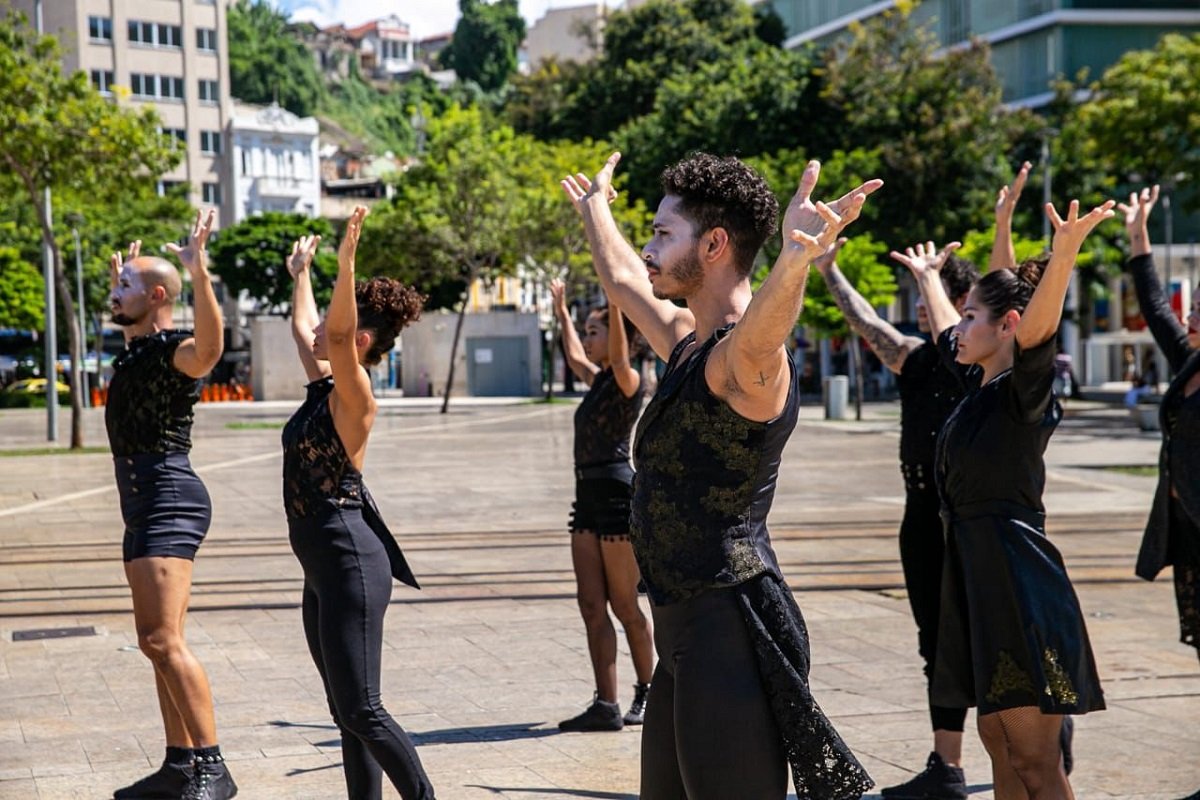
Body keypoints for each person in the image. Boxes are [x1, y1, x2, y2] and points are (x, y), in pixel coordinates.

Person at [563, 151, 877, 799]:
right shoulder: (687, 343)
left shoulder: (743, 363)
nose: (648, 248)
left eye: (661, 233)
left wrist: (795, 261)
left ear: (713, 244)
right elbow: (623, 282)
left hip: (729, 632)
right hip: (681, 635)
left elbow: (761, 337)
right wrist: (596, 207)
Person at [896, 196, 1114, 799]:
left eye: (974, 318)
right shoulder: (977, 386)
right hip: (975, 579)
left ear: (1008, 325)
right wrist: (928, 279)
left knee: (1035, 755)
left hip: (1017, 583)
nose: (959, 328)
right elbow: (946, 334)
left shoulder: (1022, 395)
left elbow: (1039, 332)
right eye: (962, 317)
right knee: (996, 737)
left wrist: (1065, 251)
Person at [813, 236, 979, 799]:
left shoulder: (979, 370)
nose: (919, 304)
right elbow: (865, 324)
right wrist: (830, 271)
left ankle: (1045, 731)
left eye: (929, 292)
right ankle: (947, 765)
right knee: (934, 639)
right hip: (920, 519)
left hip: (967, 523)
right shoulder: (915, 358)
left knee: (986, 635)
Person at [283, 209, 435, 800]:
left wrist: (345, 265)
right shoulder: (325, 386)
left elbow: (337, 336)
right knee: (345, 710)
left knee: (364, 708)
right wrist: (301, 274)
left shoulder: (357, 394)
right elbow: (308, 334)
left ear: (361, 341)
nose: (319, 329)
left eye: (333, 320)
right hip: (322, 566)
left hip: (348, 557)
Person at [105, 210, 237, 800]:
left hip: (168, 497)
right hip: (142, 501)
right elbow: (133, 322)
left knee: (163, 640)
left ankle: (213, 767)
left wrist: (198, 272)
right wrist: (123, 276)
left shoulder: (173, 355)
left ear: (158, 296)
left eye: (126, 288)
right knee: (156, 640)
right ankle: (180, 763)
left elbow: (209, 347)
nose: (114, 293)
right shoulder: (137, 350)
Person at [548, 279, 655, 732]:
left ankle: (649, 692)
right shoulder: (597, 382)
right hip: (586, 499)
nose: (590, 340)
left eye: (598, 331)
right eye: (590, 331)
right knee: (591, 604)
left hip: (616, 499)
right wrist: (562, 313)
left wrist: (615, 305)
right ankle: (605, 704)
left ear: (620, 336)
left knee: (625, 604)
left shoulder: (628, 380)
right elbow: (574, 356)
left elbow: (618, 354)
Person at [1123, 186, 1200, 668]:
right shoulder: (1190, 363)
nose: (1190, 316)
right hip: (1187, 529)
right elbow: (1155, 307)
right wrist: (1138, 234)